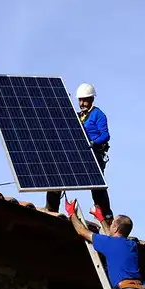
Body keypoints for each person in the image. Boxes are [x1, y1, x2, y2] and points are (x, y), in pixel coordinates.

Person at [45, 83, 114, 223]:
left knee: (96, 186)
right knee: (57, 177)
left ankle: (106, 216)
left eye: (85, 100)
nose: (82, 103)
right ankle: (51, 210)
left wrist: (94, 142)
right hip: (76, 153)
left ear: (92, 99)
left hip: (94, 154)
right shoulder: (78, 116)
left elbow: (105, 135)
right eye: (80, 100)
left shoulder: (98, 114)